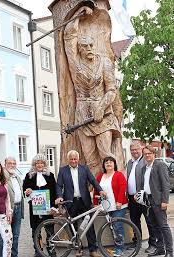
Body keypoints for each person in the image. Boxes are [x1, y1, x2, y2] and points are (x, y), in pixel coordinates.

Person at [63, 5, 124, 174]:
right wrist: (77, 15)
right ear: (80, 49)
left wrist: (102, 106)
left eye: (91, 45)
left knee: (107, 156)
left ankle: (114, 190)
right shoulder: (75, 64)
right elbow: (69, 37)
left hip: (102, 115)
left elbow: (112, 90)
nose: (89, 49)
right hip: (83, 115)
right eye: (85, 46)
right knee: (90, 159)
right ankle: (97, 193)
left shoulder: (104, 62)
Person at [56, 150, 106, 257]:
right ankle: (78, 249)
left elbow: (93, 180)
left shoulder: (84, 169)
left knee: (89, 225)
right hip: (70, 202)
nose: (73, 161)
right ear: (68, 159)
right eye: (71, 159)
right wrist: (59, 196)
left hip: (84, 201)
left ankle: (93, 250)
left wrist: (100, 190)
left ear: (78, 159)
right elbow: (59, 185)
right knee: (72, 226)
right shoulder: (62, 170)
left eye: (75, 159)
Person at [138, 145, 173, 257]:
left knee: (163, 226)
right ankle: (160, 249)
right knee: (154, 225)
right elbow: (144, 185)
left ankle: (170, 251)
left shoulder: (160, 165)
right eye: (145, 154)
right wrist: (138, 193)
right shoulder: (144, 168)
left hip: (158, 200)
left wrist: (164, 200)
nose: (147, 155)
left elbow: (166, 184)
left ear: (154, 154)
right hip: (147, 200)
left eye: (149, 153)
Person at [127, 142, 160, 253]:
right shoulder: (130, 163)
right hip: (132, 198)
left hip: (143, 196)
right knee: (134, 221)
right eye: (132, 150)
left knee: (149, 220)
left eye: (136, 149)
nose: (134, 151)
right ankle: (137, 242)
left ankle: (153, 244)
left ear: (141, 149)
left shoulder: (145, 160)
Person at [23, 154, 56, 257]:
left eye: (41, 163)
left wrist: (53, 206)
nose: (39, 165)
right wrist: (27, 191)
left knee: (49, 229)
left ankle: (51, 250)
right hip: (35, 208)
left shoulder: (50, 175)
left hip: (48, 207)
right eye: (37, 163)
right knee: (36, 230)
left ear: (45, 164)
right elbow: (25, 189)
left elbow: (54, 191)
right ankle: (38, 250)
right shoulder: (29, 176)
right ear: (34, 164)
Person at [94, 156, 128, 257]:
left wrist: (119, 202)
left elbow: (123, 188)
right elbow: (96, 189)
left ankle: (120, 248)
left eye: (111, 162)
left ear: (114, 164)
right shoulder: (100, 176)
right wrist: (95, 202)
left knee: (117, 226)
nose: (109, 164)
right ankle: (117, 245)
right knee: (112, 227)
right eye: (106, 162)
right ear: (104, 165)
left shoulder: (118, 175)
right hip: (106, 207)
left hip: (118, 206)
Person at [0, 157, 24, 257]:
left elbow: (20, 192)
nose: (12, 165)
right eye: (9, 163)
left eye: (14, 163)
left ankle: (14, 255)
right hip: (7, 210)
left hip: (18, 208)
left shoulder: (17, 177)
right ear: (5, 165)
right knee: (4, 236)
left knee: (16, 235)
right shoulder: (2, 178)